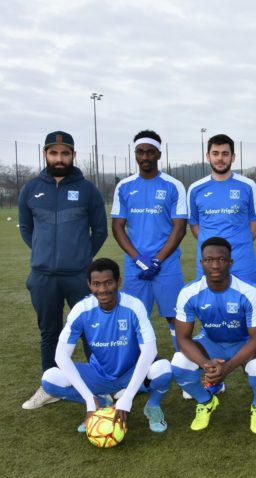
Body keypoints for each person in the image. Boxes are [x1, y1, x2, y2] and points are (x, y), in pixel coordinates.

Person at [18, 131, 108, 409]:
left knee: (90, 332)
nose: (59, 158)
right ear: (45, 154)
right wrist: (43, 254)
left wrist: (80, 257)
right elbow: (26, 229)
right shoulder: (31, 189)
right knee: (50, 332)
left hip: (79, 275)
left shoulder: (88, 190)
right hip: (43, 276)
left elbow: (100, 231)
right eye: (54, 153)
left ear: (73, 155)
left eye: (65, 153)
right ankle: (51, 386)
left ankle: (100, 385)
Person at [41, 258, 172, 434]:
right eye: (96, 284)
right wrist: (89, 399)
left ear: (118, 281)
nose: (102, 290)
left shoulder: (134, 306)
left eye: (108, 282)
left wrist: (128, 398)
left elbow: (150, 351)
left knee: (163, 368)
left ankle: (152, 406)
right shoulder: (81, 310)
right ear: (89, 285)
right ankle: (101, 404)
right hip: (99, 373)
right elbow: (61, 356)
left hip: (131, 372)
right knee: (50, 378)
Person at [171, 237, 256, 434]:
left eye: (221, 259)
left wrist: (226, 368)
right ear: (201, 263)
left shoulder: (249, 291)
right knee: (179, 363)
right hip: (211, 342)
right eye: (209, 260)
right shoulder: (189, 292)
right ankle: (205, 401)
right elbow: (182, 338)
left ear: (230, 262)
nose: (215, 265)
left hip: (244, 343)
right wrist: (205, 363)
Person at [111, 130, 187, 349]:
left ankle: (183, 363)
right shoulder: (124, 186)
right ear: (135, 154)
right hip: (135, 265)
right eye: (140, 152)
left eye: (150, 152)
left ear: (159, 154)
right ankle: (135, 364)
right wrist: (138, 258)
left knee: (175, 318)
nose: (145, 157)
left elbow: (179, 228)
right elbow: (117, 226)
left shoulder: (173, 185)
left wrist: (157, 260)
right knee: (133, 317)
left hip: (167, 264)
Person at [187, 134, 256, 286]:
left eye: (225, 154)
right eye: (215, 153)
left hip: (242, 264)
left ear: (233, 157)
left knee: (247, 301)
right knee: (209, 301)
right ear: (208, 156)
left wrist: (238, 244)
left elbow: (254, 226)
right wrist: (213, 249)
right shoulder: (195, 189)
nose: (220, 158)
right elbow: (194, 226)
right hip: (208, 265)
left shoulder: (248, 186)